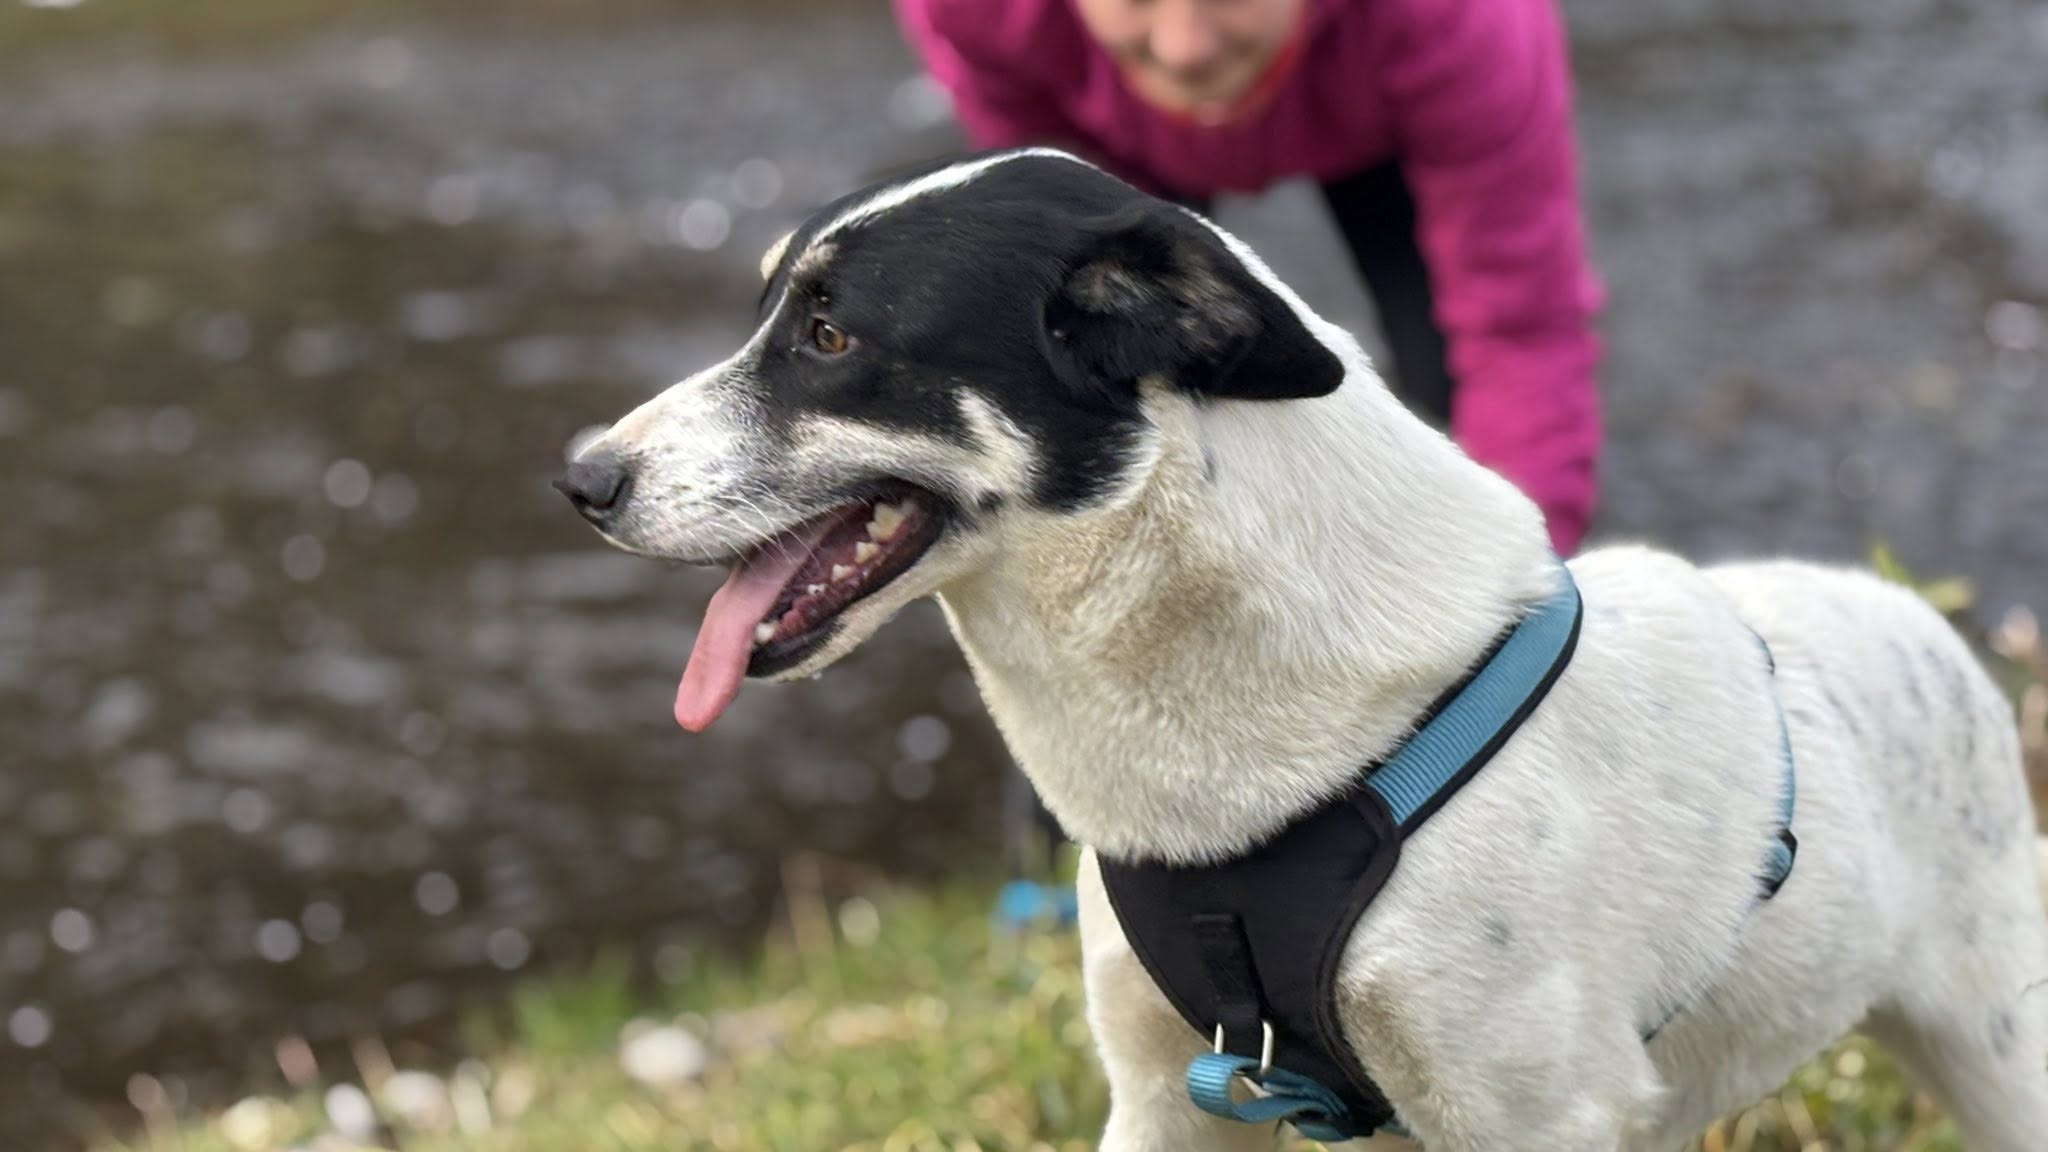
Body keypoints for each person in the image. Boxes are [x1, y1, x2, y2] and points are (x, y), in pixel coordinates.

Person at [890, 0, 1604, 901]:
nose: (1186, 47)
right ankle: (1059, 867)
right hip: (1104, 142)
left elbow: (1518, 332)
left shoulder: (1463, 24)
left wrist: (1513, 624)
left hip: (1380, 103)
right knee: (1073, 437)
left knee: (1448, 400)